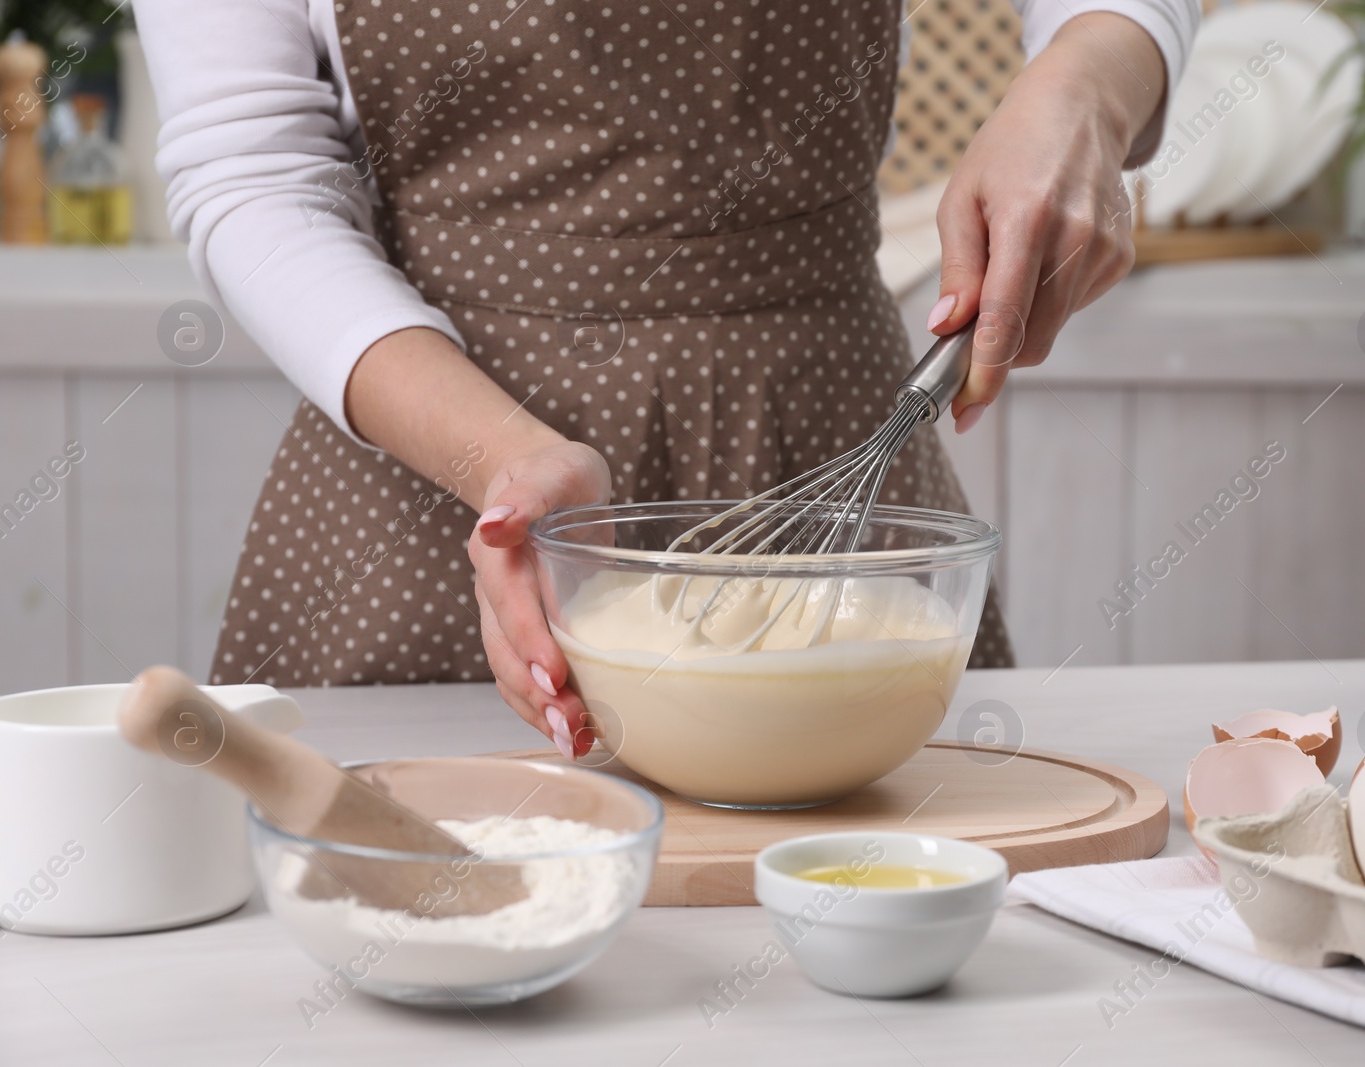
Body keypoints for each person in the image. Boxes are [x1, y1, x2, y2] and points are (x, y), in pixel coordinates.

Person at [135, 0, 1199, 760]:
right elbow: (254, 172)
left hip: (826, 431)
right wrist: (503, 462)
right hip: (437, 492)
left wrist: (1083, 89)